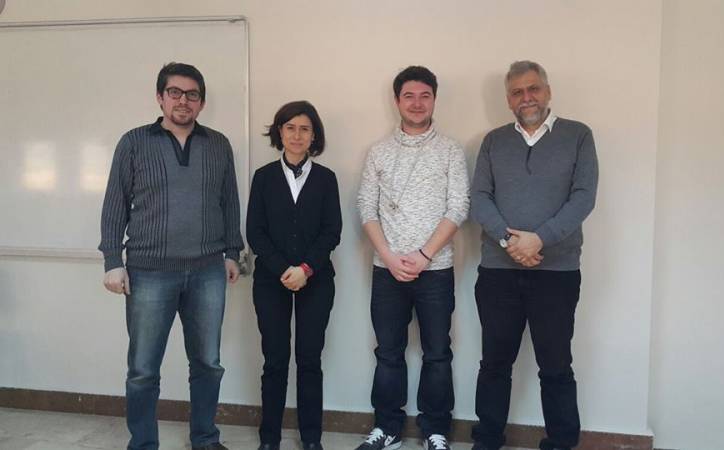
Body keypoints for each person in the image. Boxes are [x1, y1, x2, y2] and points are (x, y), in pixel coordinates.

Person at [99, 62, 243, 450]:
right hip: (149, 272)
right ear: (160, 97)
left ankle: (205, 440)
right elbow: (115, 204)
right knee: (143, 369)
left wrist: (232, 252)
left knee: (208, 363)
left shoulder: (218, 144)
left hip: (208, 271)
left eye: (192, 94)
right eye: (175, 92)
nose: (183, 100)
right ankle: (143, 444)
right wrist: (113, 261)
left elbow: (229, 202)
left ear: (202, 103)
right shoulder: (134, 142)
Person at [469, 60, 599, 450]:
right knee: (494, 363)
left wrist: (539, 240)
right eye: (517, 92)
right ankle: (487, 439)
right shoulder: (493, 141)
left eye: (533, 89)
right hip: (498, 271)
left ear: (547, 91)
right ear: (508, 100)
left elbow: (583, 197)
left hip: (557, 272)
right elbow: (480, 197)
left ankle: (561, 442)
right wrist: (510, 243)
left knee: (556, 365)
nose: (526, 97)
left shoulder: (578, 135)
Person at [355, 66, 470, 450]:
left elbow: (458, 207)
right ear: (397, 101)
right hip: (386, 270)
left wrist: (424, 255)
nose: (417, 103)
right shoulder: (379, 151)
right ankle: (387, 428)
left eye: (425, 96)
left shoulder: (450, 150)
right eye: (409, 96)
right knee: (388, 353)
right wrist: (388, 256)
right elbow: (366, 208)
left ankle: (435, 431)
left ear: (434, 99)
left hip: (435, 269)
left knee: (437, 354)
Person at [247, 100, 342, 450]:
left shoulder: (327, 179)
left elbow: (332, 231)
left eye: (304, 129)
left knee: (309, 359)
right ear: (280, 132)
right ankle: (269, 439)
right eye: (290, 128)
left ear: (313, 135)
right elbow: (255, 232)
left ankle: (311, 438)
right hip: (270, 281)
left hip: (316, 280)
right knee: (274, 360)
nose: (297, 135)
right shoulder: (263, 177)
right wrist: (283, 269)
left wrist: (305, 269)